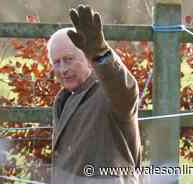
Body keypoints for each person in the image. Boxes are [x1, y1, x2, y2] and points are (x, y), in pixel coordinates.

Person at [47, 5, 141, 184]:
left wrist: (101, 54)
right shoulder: (64, 100)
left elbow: (125, 89)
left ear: (87, 57)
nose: (63, 69)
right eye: (56, 62)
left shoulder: (108, 92)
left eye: (69, 59)